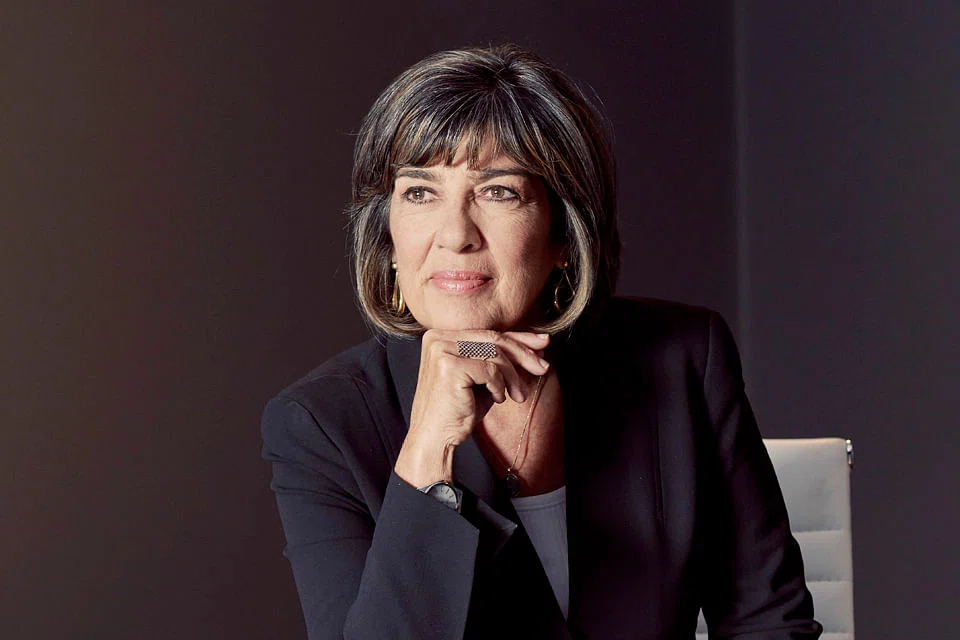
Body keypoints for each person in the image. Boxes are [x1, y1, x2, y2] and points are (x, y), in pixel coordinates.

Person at [261, 44, 822, 639]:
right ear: (388, 238)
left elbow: (770, 624)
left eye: (498, 191)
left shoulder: (683, 360)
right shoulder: (320, 425)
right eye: (420, 192)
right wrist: (426, 456)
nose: (455, 235)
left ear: (563, 236)